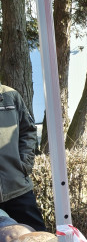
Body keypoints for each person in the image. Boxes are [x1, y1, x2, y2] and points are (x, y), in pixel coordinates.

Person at [0, 83, 46, 231]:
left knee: (39, 239)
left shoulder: (10, 96)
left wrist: (24, 164)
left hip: (16, 186)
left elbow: (28, 130)